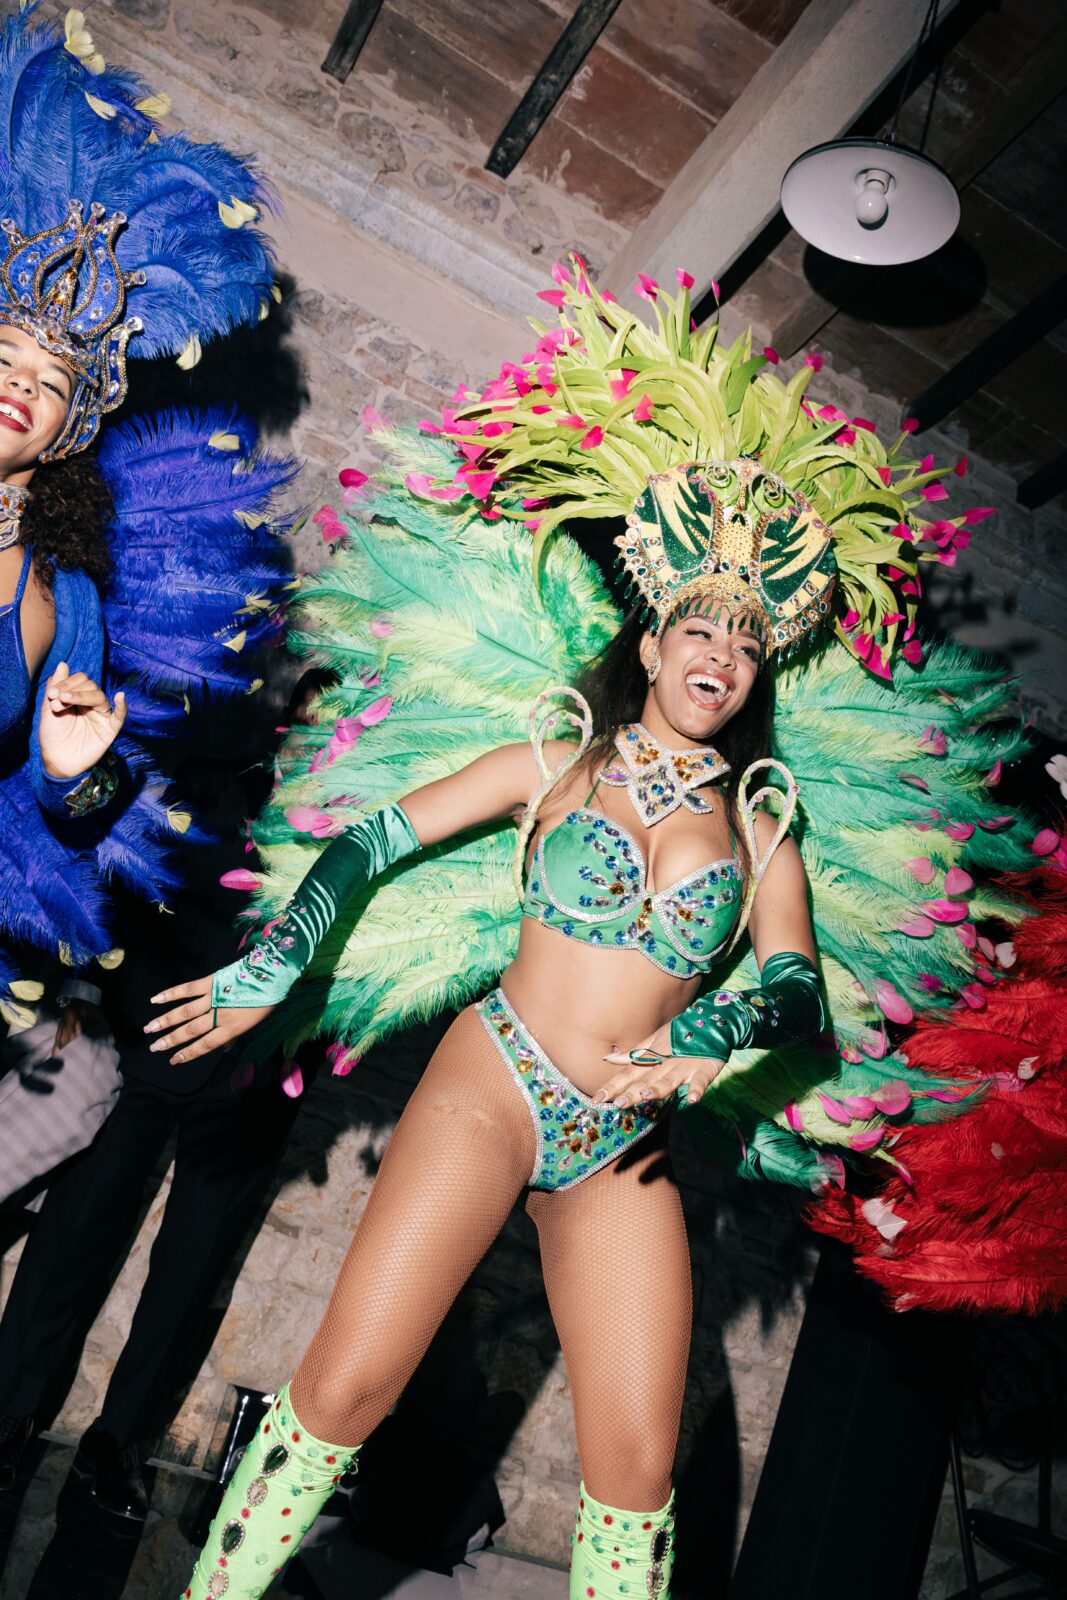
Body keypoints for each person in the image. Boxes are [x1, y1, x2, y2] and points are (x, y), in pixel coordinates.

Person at [162, 263, 1064, 1598]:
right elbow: (373, 839)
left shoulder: (762, 820)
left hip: (622, 1138)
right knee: (348, 1386)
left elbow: (796, 988)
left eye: (744, 645)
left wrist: (716, 1033)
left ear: (754, 675)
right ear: (649, 644)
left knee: (637, 1472)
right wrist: (274, 959)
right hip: (495, 1080)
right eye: (698, 626)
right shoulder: (556, 758)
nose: (719, 653)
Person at [0, 0, 291, 1034]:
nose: (22, 383)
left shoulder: (60, 596)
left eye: (51, 381)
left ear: (68, 428)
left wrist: (74, 772)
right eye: (5, 356)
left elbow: (69, 810)